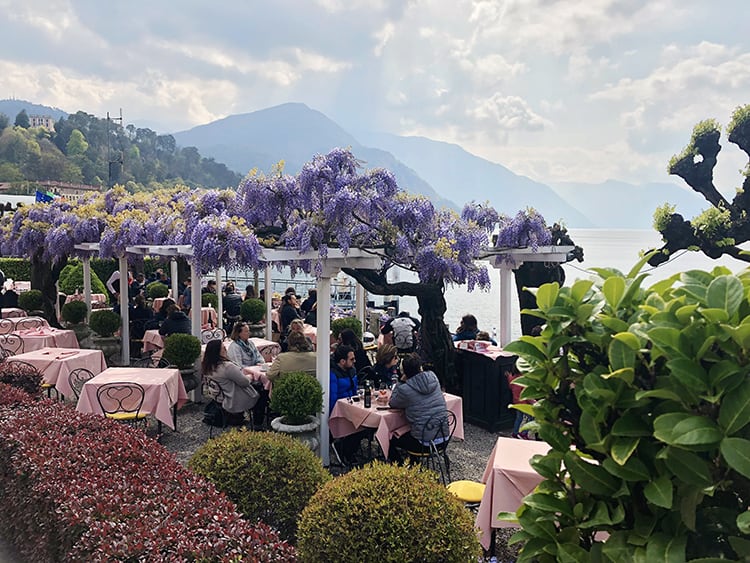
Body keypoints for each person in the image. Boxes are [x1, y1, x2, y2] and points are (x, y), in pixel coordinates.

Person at [389, 353, 448, 460]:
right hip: (444, 438)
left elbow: (392, 403)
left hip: (423, 444)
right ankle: (413, 463)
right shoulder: (433, 377)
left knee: (389, 437)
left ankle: (400, 467)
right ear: (420, 367)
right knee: (414, 429)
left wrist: (401, 381)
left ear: (404, 372)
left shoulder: (404, 389)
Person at [201, 339, 259, 425]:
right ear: (217, 352)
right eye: (223, 348)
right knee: (261, 392)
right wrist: (251, 376)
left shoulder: (207, 366)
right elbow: (245, 382)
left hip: (220, 397)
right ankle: (258, 423)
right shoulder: (227, 367)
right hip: (234, 398)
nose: (226, 349)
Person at [226, 322, 267, 429]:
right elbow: (238, 366)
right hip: (243, 379)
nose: (249, 333)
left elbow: (259, 357)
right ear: (239, 333)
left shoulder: (250, 344)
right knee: (262, 391)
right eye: (246, 331)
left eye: (249, 330)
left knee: (265, 386)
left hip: (254, 373)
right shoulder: (235, 347)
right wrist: (251, 370)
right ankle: (258, 422)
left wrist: (260, 363)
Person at [329, 344, 358, 413]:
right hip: (340, 410)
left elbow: (355, 391)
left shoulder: (352, 370)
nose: (355, 361)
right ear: (342, 361)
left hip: (352, 406)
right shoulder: (333, 374)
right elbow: (332, 399)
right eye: (352, 359)